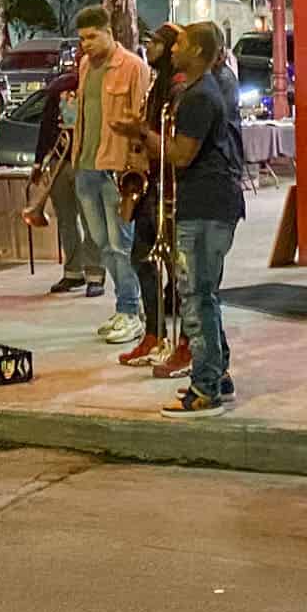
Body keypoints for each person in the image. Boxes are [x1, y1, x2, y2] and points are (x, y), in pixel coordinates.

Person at [153, 19, 245, 417]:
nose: (173, 49)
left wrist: (143, 135)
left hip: (206, 207)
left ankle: (205, 387)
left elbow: (180, 154)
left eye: (182, 44)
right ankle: (217, 372)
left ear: (199, 53)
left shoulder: (200, 97)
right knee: (204, 295)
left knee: (196, 297)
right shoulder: (196, 91)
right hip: (208, 205)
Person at [70, 4, 152, 347]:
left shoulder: (133, 67)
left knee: (121, 245)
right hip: (85, 166)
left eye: (91, 37)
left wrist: (134, 169)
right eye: (82, 39)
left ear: (108, 32)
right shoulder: (86, 66)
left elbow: (142, 122)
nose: (86, 44)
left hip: (116, 170)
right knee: (103, 246)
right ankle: (125, 307)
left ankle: (131, 310)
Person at [121, 22, 187, 374]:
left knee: (182, 271)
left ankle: (185, 343)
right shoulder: (155, 85)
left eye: (157, 43)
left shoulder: (179, 88)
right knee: (141, 257)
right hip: (151, 183)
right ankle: (154, 332)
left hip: (175, 189)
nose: (151, 47)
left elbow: (177, 141)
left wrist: (142, 133)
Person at [32, 56, 93, 295]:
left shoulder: (102, 87)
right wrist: (38, 162)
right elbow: (46, 126)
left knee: (91, 220)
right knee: (66, 219)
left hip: (88, 161)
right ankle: (73, 271)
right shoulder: (60, 86)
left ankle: (95, 272)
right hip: (60, 159)